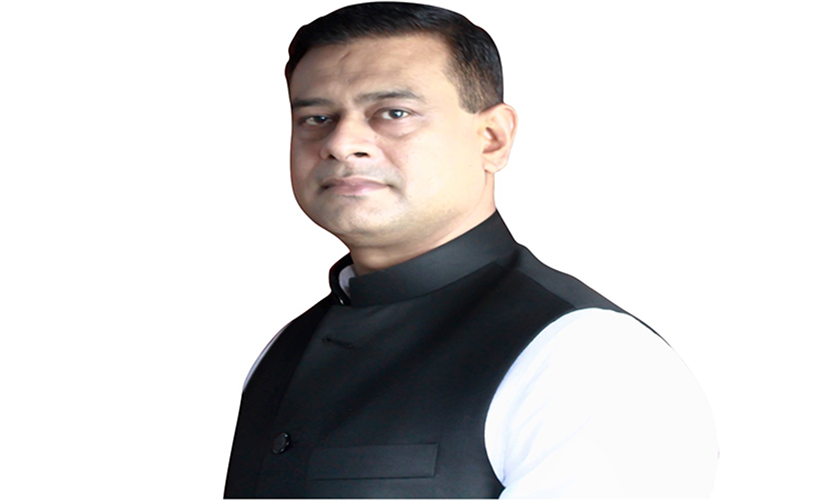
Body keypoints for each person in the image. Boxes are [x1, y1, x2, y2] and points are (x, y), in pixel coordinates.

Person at [224, 2, 718, 497]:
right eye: (316, 117)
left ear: (492, 139)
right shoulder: (284, 349)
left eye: (394, 113)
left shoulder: (590, 360)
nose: (341, 142)